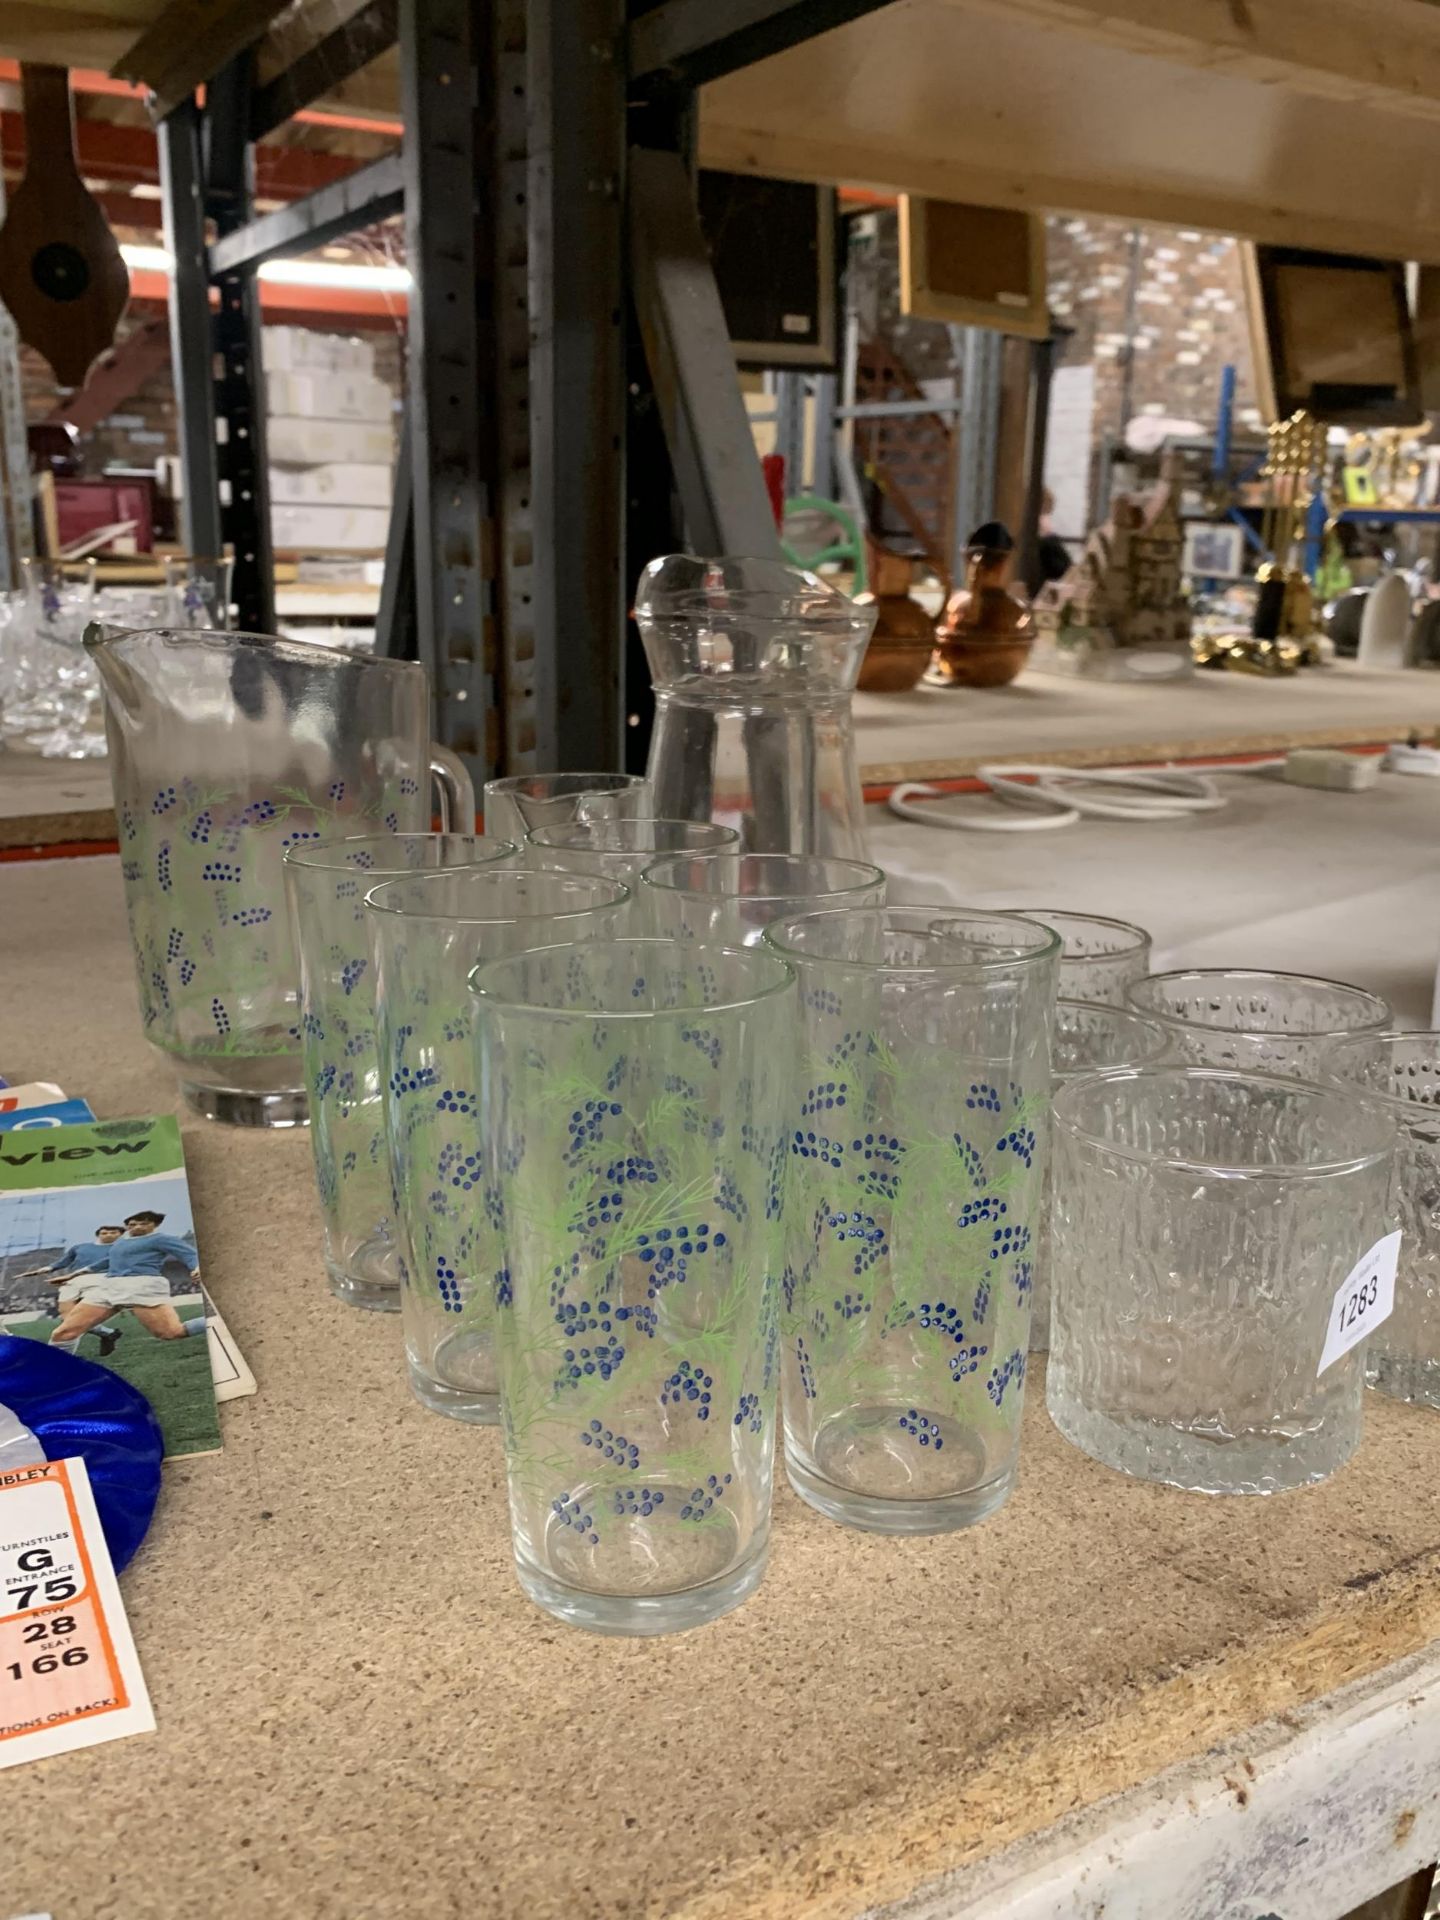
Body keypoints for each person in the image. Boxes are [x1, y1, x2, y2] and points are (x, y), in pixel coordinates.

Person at [48, 1210, 205, 1357]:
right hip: (110, 1286)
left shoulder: (162, 1239)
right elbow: (109, 1260)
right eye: (132, 1224)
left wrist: (197, 1267)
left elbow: (189, 1254)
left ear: (155, 1225)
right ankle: (54, 1371)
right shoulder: (122, 1241)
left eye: (143, 1223)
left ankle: (215, 1321)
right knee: (64, 1333)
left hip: (142, 1286)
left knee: (171, 1332)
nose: (137, 1227)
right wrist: (74, 1275)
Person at [18, 1225, 125, 1327]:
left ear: (121, 1235)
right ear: (98, 1234)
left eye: (113, 1233)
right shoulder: (80, 1247)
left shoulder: (122, 1249)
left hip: (101, 1279)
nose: (108, 1235)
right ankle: (107, 1333)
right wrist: (46, 1269)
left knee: (85, 1314)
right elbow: (63, 1262)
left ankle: (100, 1332)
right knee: (67, 1316)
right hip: (73, 1279)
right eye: (104, 1233)